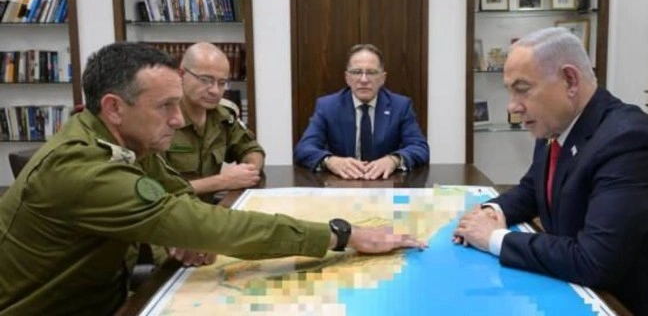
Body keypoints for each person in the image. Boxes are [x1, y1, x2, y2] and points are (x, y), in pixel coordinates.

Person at [0, 43, 426, 315]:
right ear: (114, 108)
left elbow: (176, 197)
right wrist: (342, 234)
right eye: (165, 106)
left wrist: (179, 227)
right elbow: (210, 225)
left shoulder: (126, 143)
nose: (177, 119)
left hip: (113, 295)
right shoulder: (84, 168)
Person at [453, 27, 648, 315]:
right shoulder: (555, 126)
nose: (512, 106)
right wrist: (491, 211)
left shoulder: (630, 141)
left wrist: (495, 238)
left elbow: (594, 261)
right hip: (591, 295)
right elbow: (533, 189)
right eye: (509, 91)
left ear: (570, 80)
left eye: (522, 89)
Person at [294, 44, 429, 180]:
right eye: (357, 72)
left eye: (371, 72)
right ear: (347, 78)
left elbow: (420, 147)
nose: (364, 80)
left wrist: (393, 160)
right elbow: (304, 148)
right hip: (343, 183)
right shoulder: (328, 106)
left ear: (382, 78)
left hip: (385, 182)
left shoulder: (400, 106)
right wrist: (330, 161)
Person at [165, 42, 264, 200]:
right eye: (205, 80)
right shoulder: (162, 119)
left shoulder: (222, 115)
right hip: (173, 211)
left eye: (222, 83)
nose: (215, 90)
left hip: (209, 208)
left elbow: (251, 149)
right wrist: (222, 181)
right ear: (181, 74)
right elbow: (156, 191)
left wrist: (248, 171)